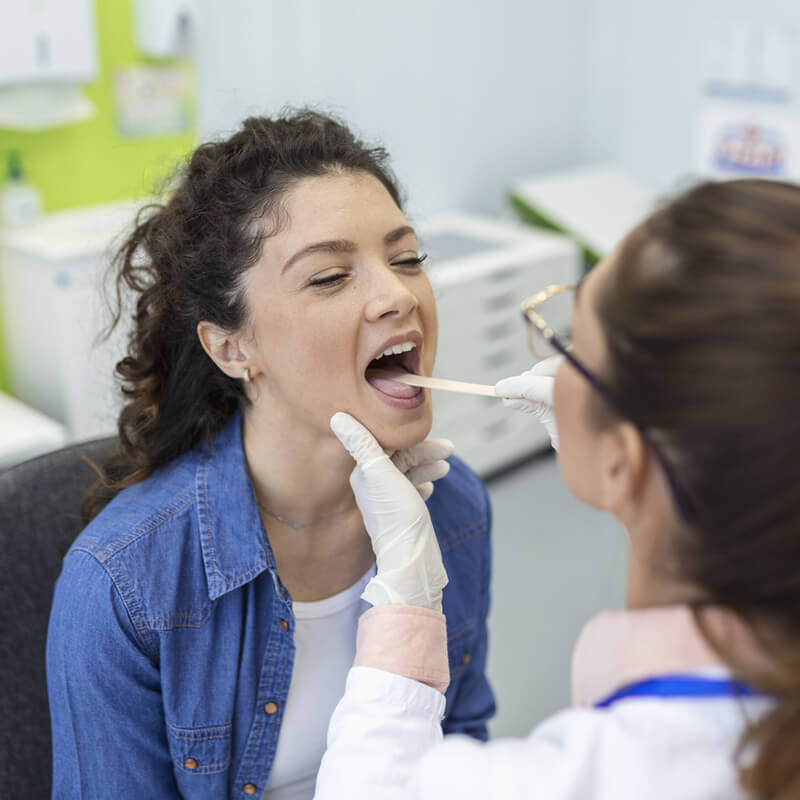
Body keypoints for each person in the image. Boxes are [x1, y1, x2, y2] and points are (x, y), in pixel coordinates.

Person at [46, 110, 495, 799]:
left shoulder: (452, 506)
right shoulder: (124, 585)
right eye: (329, 277)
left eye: (407, 259)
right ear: (232, 348)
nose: (399, 294)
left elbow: (460, 749)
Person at [313, 178, 800, 800]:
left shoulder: (611, 775)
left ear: (625, 460)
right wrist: (644, 489)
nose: (396, 297)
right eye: (329, 276)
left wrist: (406, 602)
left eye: (572, 348)